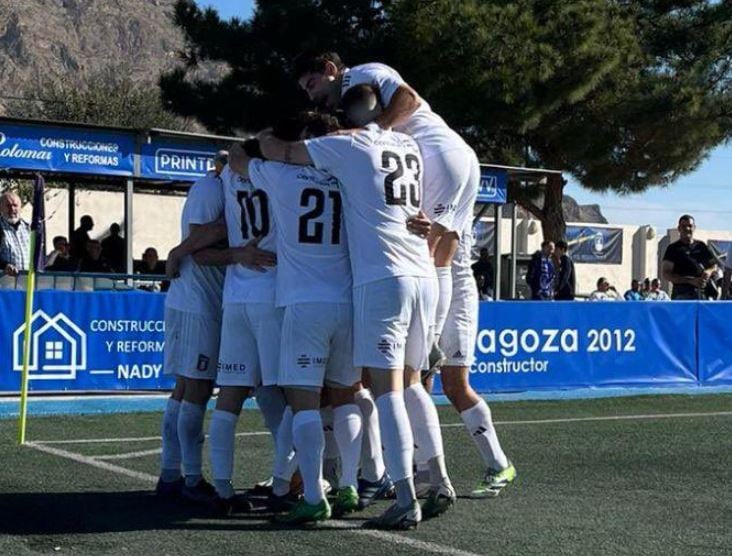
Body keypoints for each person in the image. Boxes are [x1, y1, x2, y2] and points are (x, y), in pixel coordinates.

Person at [259, 85, 459, 530]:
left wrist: (267, 136)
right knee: (412, 384)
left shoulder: (345, 144)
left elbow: (278, 150)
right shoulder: (407, 143)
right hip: (423, 269)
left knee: (386, 390)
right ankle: (438, 478)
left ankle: (405, 495)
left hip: (381, 277)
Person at [295, 52, 480, 380]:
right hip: (459, 155)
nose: (312, 95)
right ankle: (430, 342)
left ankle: (426, 344)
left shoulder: (362, 74)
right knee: (442, 253)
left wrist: (373, 132)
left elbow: (406, 98)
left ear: (330, 70)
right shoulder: (359, 88)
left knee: (421, 250)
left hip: (433, 153)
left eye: (312, 84)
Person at [228, 113, 369, 524]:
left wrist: (263, 138)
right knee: (346, 395)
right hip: (348, 301)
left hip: (305, 303)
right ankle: (349, 486)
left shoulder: (283, 177)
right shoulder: (353, 181)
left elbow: (239, 159)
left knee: (303, 401)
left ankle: (311, 494)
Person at [155, 169, 227, 506]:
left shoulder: (212, 185)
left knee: (186, 387)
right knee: (197, 386)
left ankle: (170, 474)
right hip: (198, 303)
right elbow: (203, 237)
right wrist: (177, 252)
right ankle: (192, 479)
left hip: (192, 298)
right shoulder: (211, 187)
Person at [661, 215, 717, 300]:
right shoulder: (673, 248)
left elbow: (714, 266)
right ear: (679, 228)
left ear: (694, 228)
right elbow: (666, 274)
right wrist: (689, 281)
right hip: (682, 293)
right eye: (684, 226)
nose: (687, 229)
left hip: (702, 293)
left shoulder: (701, 246)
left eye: (690, 226)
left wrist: (708, 272)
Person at [0, 191, 30, 277]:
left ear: (20, 208)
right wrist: (5, 266)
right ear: (0, 208)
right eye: (8, 206)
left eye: (15, 205)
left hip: (27, 283)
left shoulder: (28, 228)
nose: (12, 209)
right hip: (3, 283)